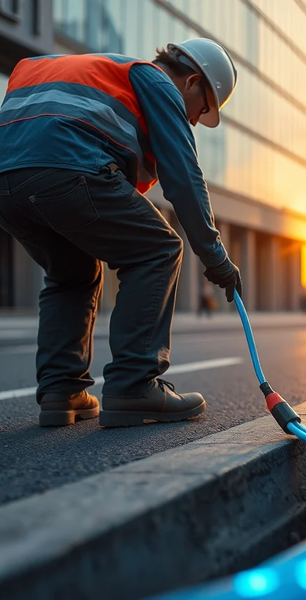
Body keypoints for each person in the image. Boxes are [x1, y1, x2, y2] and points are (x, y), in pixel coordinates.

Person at [0, 40, 243, 427]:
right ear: (192, 81)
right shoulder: (156, 80)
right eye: (201, 110)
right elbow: (184, 178)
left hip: (6, 183)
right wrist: (216, 258)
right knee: (158, 249)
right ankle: (133, 386)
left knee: (72, 273)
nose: (194, 121)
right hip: (68, 167)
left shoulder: (87, 71)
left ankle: (62, 391)